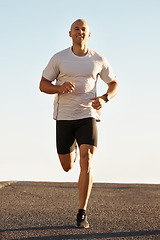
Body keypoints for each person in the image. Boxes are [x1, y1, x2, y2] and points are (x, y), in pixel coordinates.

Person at [39, 19, 118, 228]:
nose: (80, 32)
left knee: (88, 159)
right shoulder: (59, 58)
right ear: (70, 33)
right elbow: (43, 84)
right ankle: (71, 147)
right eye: (76, 29)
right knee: (67, 166)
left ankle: (82, 212)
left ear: (89, 35)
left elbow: (114, 83)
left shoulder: (98, 59)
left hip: (88, 115)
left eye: (84, 29)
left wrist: (104, 98)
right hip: (65, 117)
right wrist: (59, 88)